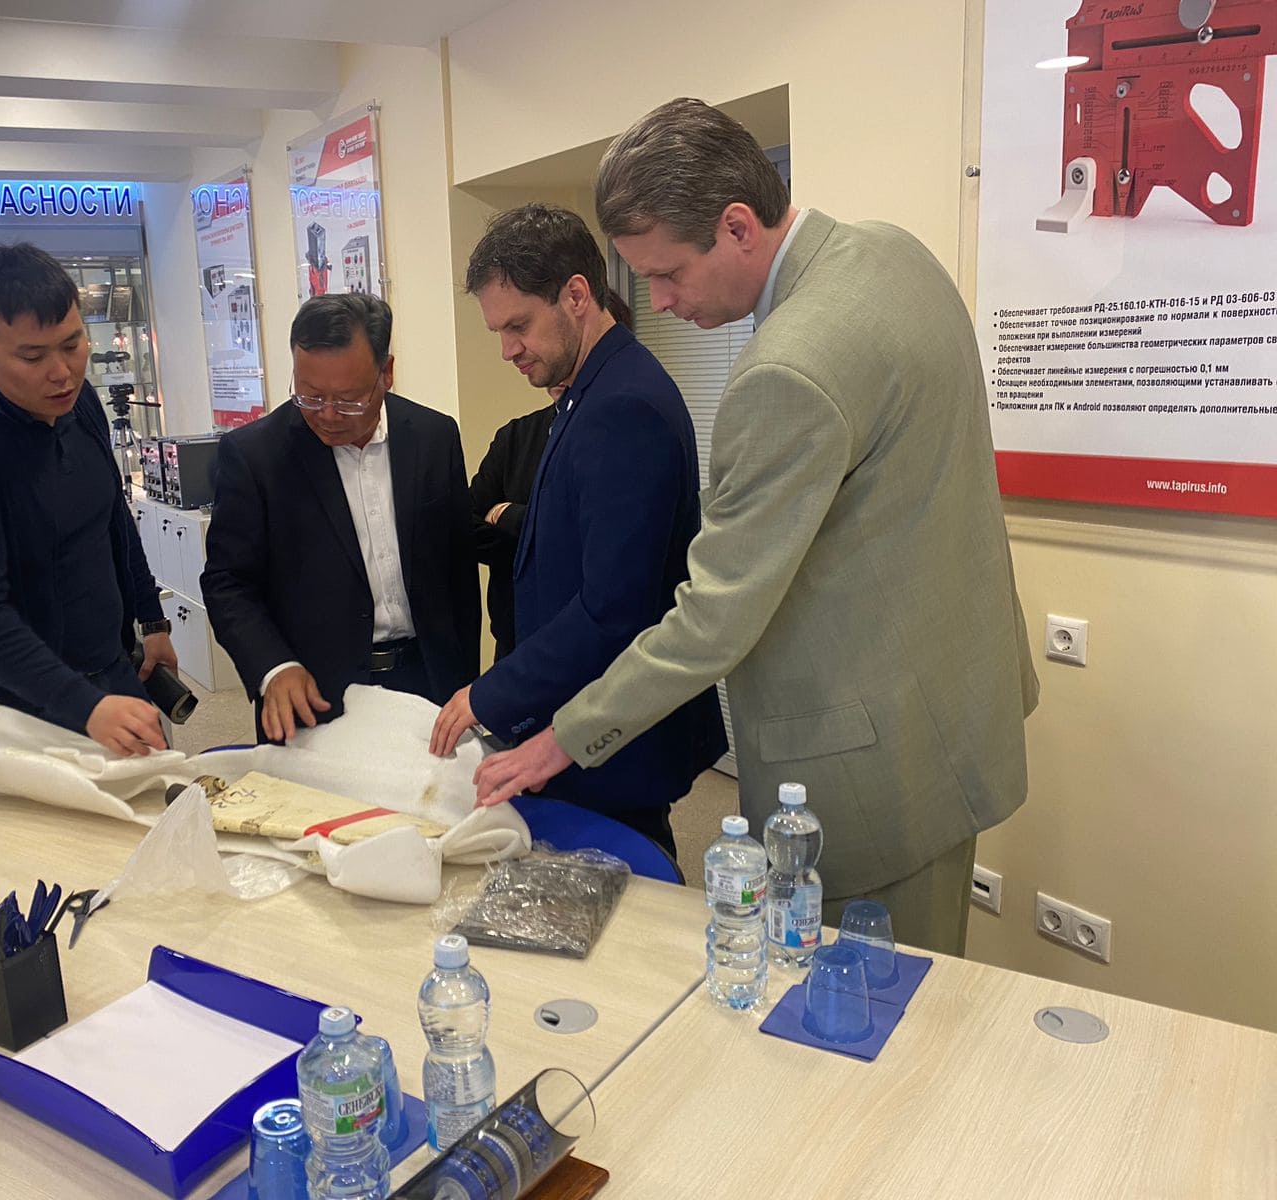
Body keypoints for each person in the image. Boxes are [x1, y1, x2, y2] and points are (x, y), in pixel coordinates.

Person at [472, 100, 1040, 955]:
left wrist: (562, 738)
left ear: (738, 225)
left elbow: (713, 617)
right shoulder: (891, 254)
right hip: (953, 703)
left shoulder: (785, 371)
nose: (660, 302)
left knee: (864, 1002)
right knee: (921, 974)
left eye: (668, 275)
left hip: (872, 759)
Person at [430, 204, 726, 857]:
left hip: (612, 737)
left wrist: (491, 692)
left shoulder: (623, 404)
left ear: (576, 295)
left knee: (625, 891)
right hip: (576, 713)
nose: (508, 350)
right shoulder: (586, 390)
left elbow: (613, 609)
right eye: (498, 331)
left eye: (519, 326)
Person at [0, 242, 177, 757]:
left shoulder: (81, 402)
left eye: (73, 344)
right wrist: (83, 705)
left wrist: (152, 620)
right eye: (32, 356)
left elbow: (113, 520)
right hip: (19, 704)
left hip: (112, 670)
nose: (62, 372)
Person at [201, 293, 480, 743]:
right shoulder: (255, 456)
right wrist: (274, 668)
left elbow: (458, 572)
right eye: (310, 396)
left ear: (386, 373)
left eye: (349, 399)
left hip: (429, 681)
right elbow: (227, 583)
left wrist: (466, 677)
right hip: (315, 691)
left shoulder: (434, 436)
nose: (328, 415)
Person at [469, 292, 635, 659]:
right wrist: (543, 539)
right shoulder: (515, 436)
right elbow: (467, 529)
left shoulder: (621, 435)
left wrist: (510, 516)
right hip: (516, 645)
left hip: (595, 649)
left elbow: (594, 544)